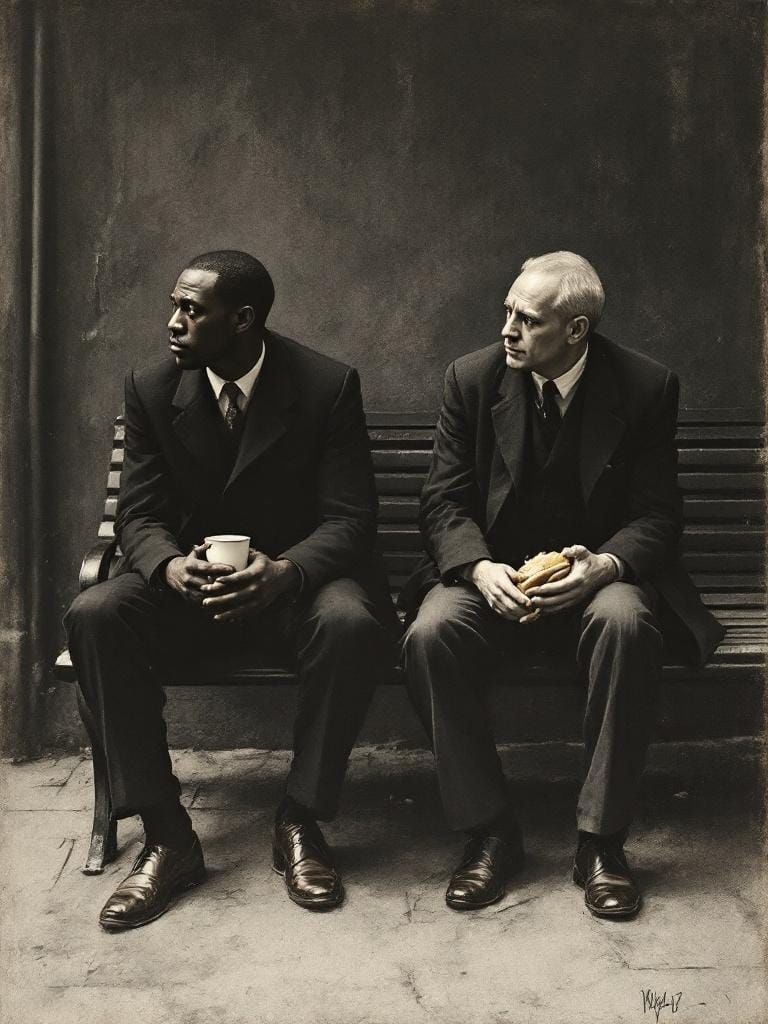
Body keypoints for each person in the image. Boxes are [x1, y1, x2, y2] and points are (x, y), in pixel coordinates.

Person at [65, 250, 396, 929]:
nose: (173, 322)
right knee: (96, 611)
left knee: (353, 622)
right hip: (190, 598)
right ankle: (166, 836)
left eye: (192, 309)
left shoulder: (326, 386)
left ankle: (300, 820)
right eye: (174, 305)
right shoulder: (154, 386)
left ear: (243, 320)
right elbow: (140, 513)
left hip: (291, 594)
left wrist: (284, 573)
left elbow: (350, 519)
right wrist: (166, 569)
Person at [400, 251, 724, 918]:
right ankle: (489, 832)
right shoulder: (472, 379)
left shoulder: (644, 387)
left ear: (576, 330)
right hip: (492, 577)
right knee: (431, 632)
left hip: (594, 578)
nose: (508, 330)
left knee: (629, 622)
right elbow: (442, 503)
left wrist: (602, 566)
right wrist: (480, 568)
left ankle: (601, 843)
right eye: (507, 312)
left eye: (528, 319)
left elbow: (658, 515)